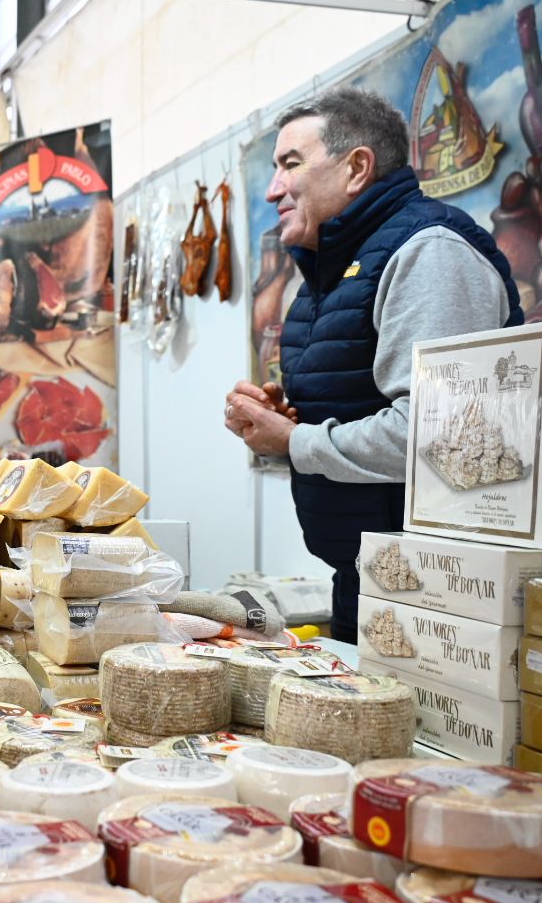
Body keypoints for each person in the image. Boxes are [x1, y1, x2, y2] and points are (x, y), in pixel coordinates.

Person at [222, 87, 521, 642]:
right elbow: (362, 403)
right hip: (369, 578)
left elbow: (439, 438)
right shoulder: (324, 275)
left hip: (439, 595)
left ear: (357, 167)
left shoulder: (429, 252)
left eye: (291, 165)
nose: (272, 190)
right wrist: (287, 416)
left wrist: (292, 441)